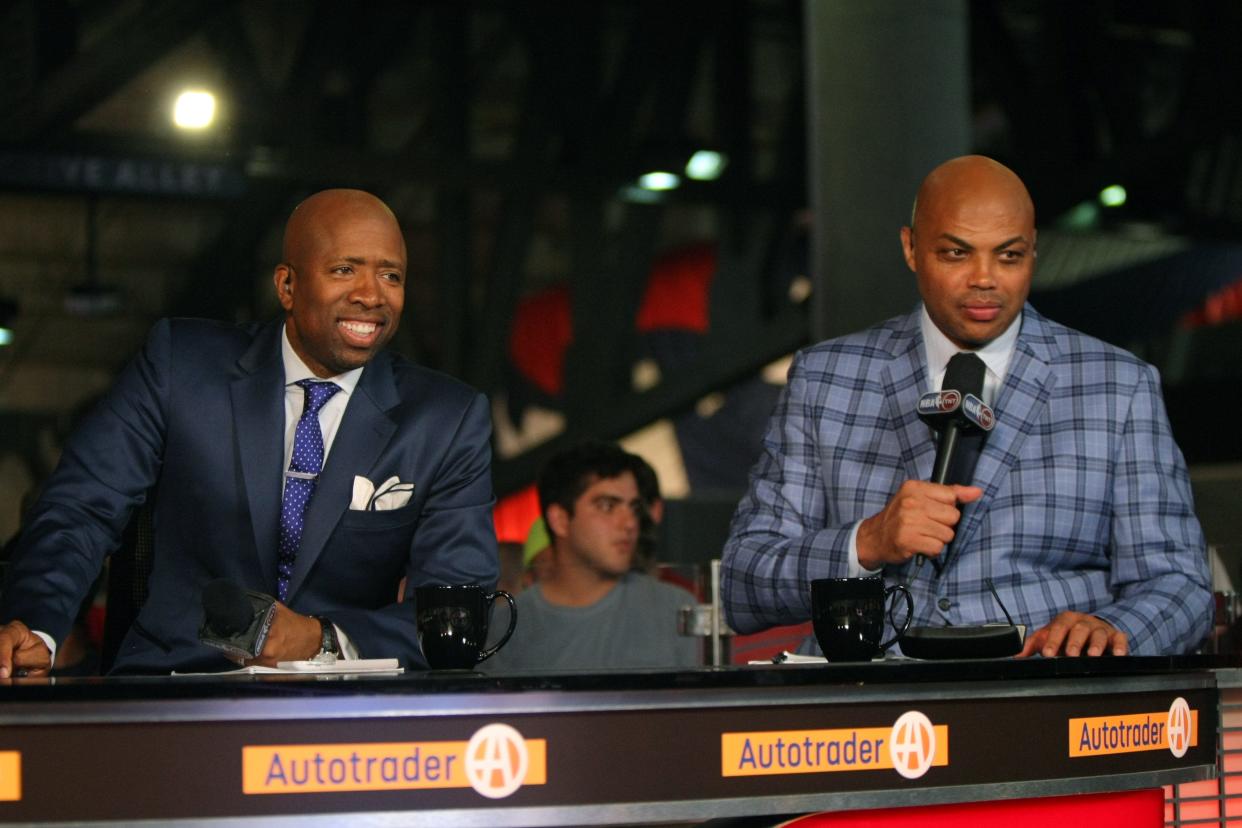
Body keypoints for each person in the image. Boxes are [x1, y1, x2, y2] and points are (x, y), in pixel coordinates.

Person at [721, 155, 1212, 658]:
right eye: (957, 254)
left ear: (1035, 252)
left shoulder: (1117, 386)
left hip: (1043, 702)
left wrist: (1111, 630)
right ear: (911, 248)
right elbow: (743, 583)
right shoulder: (826, 379)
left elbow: (1181, 585)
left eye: (1009, 256)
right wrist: (867, 542)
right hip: (873, 712)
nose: (984, 279)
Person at [0, 189, 497, 675]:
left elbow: (458, 606)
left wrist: (321, 640)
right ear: (287, 286)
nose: (371, 295)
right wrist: (36, 625)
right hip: (177, 690)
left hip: (347, 712)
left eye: (391, 275)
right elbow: (82, 506)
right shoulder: (183, 364)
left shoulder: (445, 419)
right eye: (344, 269)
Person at [483, 441, 699, 671]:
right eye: (607, 506)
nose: (629, 523)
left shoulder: (675, 609)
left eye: (634, 508)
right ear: (560, 520)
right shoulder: (504, 627)